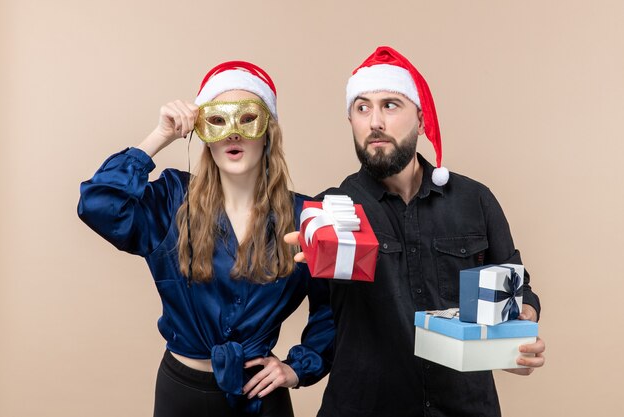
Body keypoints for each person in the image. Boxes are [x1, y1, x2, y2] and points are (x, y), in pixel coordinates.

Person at [286, 46, 546, 417]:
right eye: (362, 108)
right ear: (351, 121)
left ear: (422, 120)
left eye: (390, 105)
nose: (375, 121)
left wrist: (517, 335)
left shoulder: (475, 200)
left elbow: (519, 290)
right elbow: (316, 318)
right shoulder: (330, 211)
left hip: (465, 408)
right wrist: (294, 368)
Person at [78, 61, 334, 417]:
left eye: (247, 119)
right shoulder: (170, 201)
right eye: (218, 120)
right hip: (181, 395)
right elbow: (98, 204)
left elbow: (333, 308)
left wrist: (298, 367)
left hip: (262, 398)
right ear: (202, 130)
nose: (233, 133)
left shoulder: (306, 217)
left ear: (267, 132)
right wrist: (159, 136)